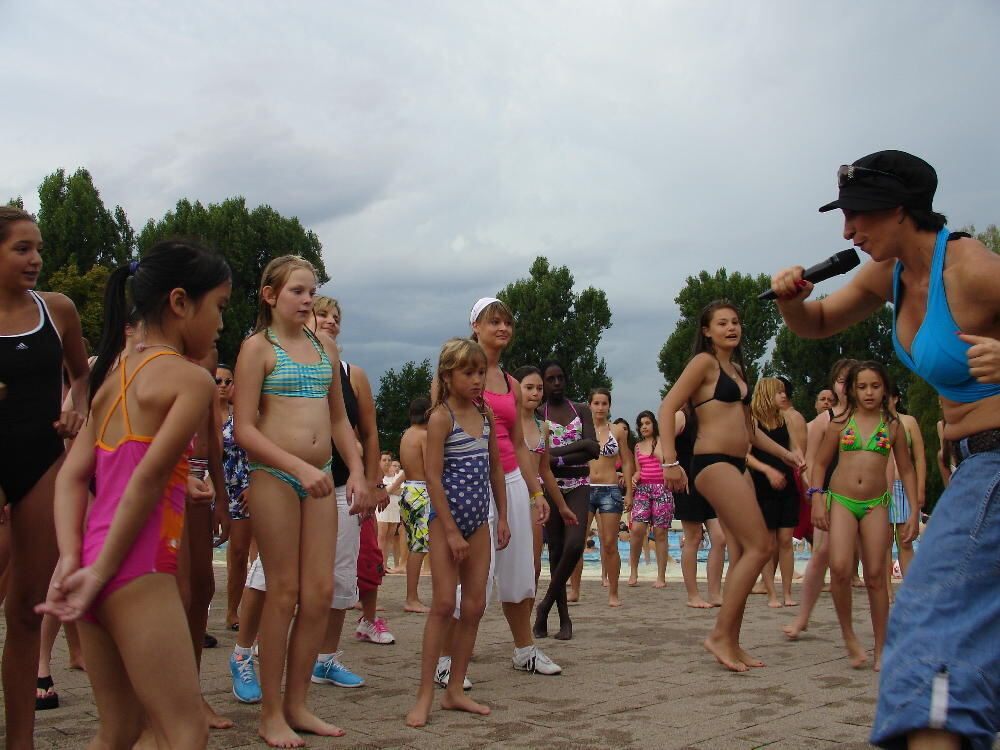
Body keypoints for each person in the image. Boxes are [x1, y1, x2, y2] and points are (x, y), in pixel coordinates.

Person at [770, 149, 1000, 748]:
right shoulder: (889, 273)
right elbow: (817, 323)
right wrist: (793, 299)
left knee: (930, 613)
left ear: (900, 210)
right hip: (973, 462)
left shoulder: (971, 267)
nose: (847, 231)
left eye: (857, 215)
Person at [36, 240, 232, 749]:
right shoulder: (191, 380)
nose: (220, 324)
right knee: (184, 732)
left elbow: (72, 478)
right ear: (180, 302)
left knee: (118, 731)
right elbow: (145, 478)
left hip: (95, 562)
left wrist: (76, 563)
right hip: (137, 568)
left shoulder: (109, 377)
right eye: (220, 307)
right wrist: (103, 571)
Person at [233, 256, 367, 746]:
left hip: (320, 479)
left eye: (312, 292)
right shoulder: (256, 349)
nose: (308, 300)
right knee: (283, 591)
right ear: (270, 295)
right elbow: (244, 429)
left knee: (319, 593)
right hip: (275, 476)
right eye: (298, 291)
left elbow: (338, 421)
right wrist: (298, 467)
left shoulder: (323, 347)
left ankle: (297, 704)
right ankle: (270, 711)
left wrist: (354, 470)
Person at [659, 301, 803, 672]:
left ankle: (733, 642)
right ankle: (720, 636)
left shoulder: (736, 370)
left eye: (735, 321)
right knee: (761, 545)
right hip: (712, 463)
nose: (731, 328)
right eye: (722, 323)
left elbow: (749, 429)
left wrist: (784, 454)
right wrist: (670, 462)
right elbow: (668, 407)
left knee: (744, 551)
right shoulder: (703, 364)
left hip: (738, 463)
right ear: (706, 330)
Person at [1, 207, 89, 747]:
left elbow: (82, 376)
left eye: (38, 248)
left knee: (29, 609)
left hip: (41, 463)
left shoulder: (56, 310)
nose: (36, 259)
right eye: (21, 249)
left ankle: (22, 740)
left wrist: (77, 408)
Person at [406, 338, 510, 728]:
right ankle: (425, 694)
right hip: (445, 522)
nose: (478, 379)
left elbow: (495, 469)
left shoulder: (486, 416)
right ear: (448, 376)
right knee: (443, 605)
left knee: (475, 606)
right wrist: (450, 531)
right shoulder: (441, 417)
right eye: (468, 372)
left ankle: (455, 691)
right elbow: (432, 477)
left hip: (479, 522)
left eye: (481, 372)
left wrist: (501, 517)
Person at [466, 299, 562, 673]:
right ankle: (449, 657)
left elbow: (519, 443)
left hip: (510, 480)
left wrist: (536, 492)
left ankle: (525, 650)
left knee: (520, 571)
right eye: (494, 322)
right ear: (475, 325)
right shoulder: (456, 371)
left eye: (508, 322)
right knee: (471, 577)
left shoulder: (509, 383)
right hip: (473, 481)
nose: (503, 328)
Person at [810, 361, 918, 670]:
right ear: (852, 390)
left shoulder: (893, 425)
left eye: (875, 386)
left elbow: (906, 470)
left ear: (885, 389)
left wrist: (912, 511)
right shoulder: (840, 422)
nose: (869, 392)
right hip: (842, 500)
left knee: (875, 576)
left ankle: (882, 647)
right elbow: (820, 464)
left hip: (876, 503)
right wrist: (817, 499)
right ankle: (849, 636)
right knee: (841, 568)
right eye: (862, 387)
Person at [781, 358, 857, 641]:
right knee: (820, 557)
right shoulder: (823, 422)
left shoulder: (873, 417)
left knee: (874, 561)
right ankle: (803, 617)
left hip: (865, 497)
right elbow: (810, 465)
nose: (846, 386)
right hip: (831, 494)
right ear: (834, 384)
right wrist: (816, 497)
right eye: (841, 380)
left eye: (852, 380)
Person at [534, 359, 600, 641]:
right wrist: (578, 447)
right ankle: (564, 619)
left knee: (575, 545)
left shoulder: (581, 410)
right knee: (557, 551)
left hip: (579, 484)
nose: (557, 383)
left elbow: (594, 449)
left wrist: (557, 456)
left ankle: (544, 605)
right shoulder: (538, 413)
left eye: (561, 378)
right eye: (551, 379)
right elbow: (540, 455)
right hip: (551, 487)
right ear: (544, 383)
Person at [511, 366, 574, 588]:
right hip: (508, 493)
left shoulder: (543, 427)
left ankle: (526, 619)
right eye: (528, 387)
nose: (535, 393)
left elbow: (545, 470)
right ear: (515, 389)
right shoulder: (506, 424)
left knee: (534, 566)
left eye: (539, 388)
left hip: (533, 498)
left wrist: (562, 505)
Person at [747, 378, 801, 607]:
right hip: (763, 486)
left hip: (787, 484)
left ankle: (787, 593)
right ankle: (771, 593)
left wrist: (801, 462)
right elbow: (745, 455)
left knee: (786, 540)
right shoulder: (752, 421)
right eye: (779, 392)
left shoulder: (784, 419)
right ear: (767, 394)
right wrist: (767, 470)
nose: (784, 396)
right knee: (768, 542)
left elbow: (794, 448)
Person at [672, 403, 726, 609]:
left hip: (710, 483)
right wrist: (674, 467)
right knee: (693, 538)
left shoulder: (711, 416)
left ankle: (714, 593)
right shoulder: (681, 416)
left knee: (720, 538)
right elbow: (661, 448)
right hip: (687, 485)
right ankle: (693, 595)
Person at [586, 387, 634, 606]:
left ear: (609, 406)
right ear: (589, 405)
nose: (600, 407)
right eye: (596, 403)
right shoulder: (582, 430)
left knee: (609, 544)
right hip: (585, 488)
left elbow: (626, 461)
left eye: (604, 403)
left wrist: (629, 492)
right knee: (577, 542)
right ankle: (574, 589)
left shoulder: (617, 431)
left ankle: (613, 592)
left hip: (609, 488)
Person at [219, 362, 252, 634]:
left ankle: (232, 610)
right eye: (216, 381)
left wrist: (254, 484)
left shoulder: (241, 415)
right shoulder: (196, 412)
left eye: (227, 381)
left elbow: (254, 449)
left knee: (239, 552)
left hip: (239, 487)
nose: (221, 386)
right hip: (203, 486)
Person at [627, 411, 673, 589]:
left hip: (662, 488)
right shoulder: (637, 447)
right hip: (643, 490)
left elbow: (668, 461)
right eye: (641, 424)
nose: (644, 426)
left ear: (654, 424)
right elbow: (639, 469)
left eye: (647, 423)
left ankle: (661, 576)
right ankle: (633, 571)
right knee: (637, 529)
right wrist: (635, 476)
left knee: (661, 533)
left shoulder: (662, 441)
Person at [885, 386, 925, 589]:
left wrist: (920, 490)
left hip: (903, 485)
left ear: (897, 398)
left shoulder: (908, 422)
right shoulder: (873, 422)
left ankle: (909, 587)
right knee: (882, 542)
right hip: (882, 487)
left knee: (906, 539)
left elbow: (919, 458)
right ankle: (886, 589)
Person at [398, 397, 432, 613]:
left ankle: (412, 596)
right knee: (420, 546)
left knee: (414, 546)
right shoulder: (423, 435)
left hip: (408, 490)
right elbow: (432, 468)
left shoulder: (407, 434)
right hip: (422, 491)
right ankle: (412, 598)